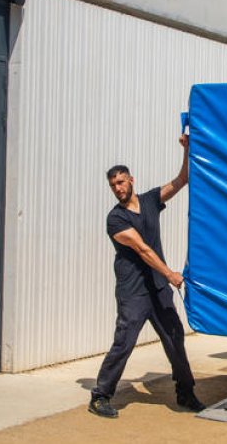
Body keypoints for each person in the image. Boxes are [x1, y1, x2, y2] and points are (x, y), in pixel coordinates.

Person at [88, 135, 204, 419]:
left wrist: (188, 148)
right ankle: (100, 395)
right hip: (134, 292)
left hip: (158, 289)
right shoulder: (115, 219)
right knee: (124, 342)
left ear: (131, 180)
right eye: (113, 185)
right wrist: (171, 274)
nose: (118, 188)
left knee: (175, 337)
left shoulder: (151, 200)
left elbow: (181, 180)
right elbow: (142, 249)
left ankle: (186, 393)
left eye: (121, 182)